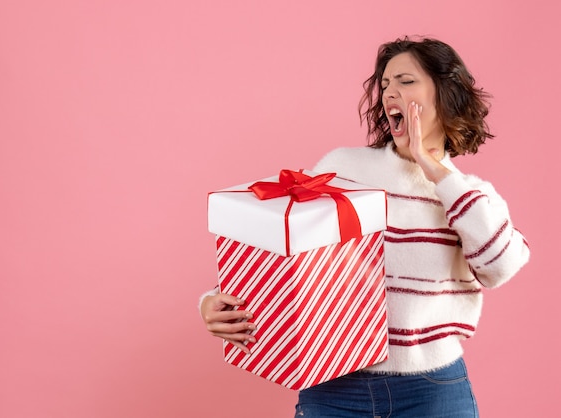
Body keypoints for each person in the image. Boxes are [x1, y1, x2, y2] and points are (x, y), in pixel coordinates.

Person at [199, 36, 530, 417]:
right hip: (332, 385)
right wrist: (216, 300)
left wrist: (433, 167)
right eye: (385, 84)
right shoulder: (344, 169)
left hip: (432, 392)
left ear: (445, 93)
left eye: (405, 81)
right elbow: (291, 252)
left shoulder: (471, 194)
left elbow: (499, 267)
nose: (390, 92)